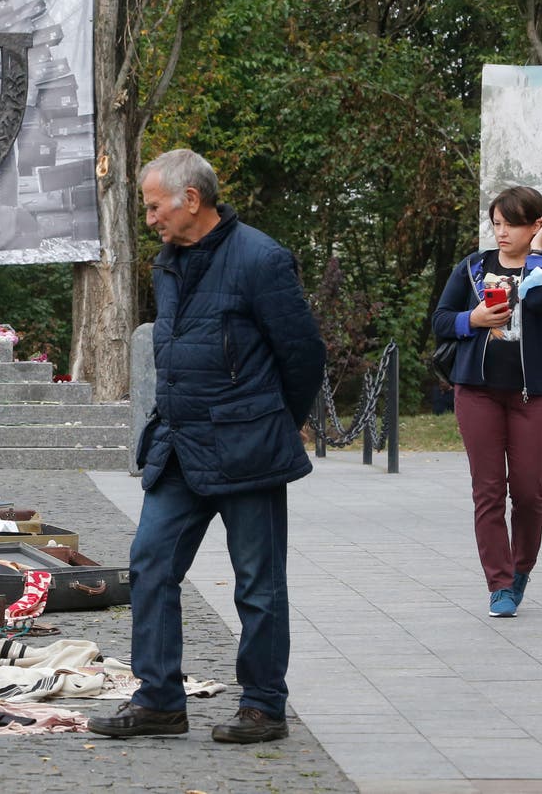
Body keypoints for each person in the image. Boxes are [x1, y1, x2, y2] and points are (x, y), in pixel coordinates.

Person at [88, 149, 325, 743]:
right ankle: (159, 701)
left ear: (190, 199)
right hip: (179, 448)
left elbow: (303, 356)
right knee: (150, 563)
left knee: (258, 583)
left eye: (153, 206)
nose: (149, 218)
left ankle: (264, 705)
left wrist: (268, 421)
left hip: (249, 450)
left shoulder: (262, 259)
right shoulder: (167, 263)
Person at [431, 186, 542, 618]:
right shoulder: (473, 268)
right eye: (496, 223)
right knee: (488, 492)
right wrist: (471, 319)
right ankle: (500, 584)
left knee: (528, 493)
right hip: (476, 393)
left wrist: (537, 257)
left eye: (511, 223)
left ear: (537, 226)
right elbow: (439, 320)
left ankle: (521, 568)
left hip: (531, 397)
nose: (501, 232)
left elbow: (541, 300)